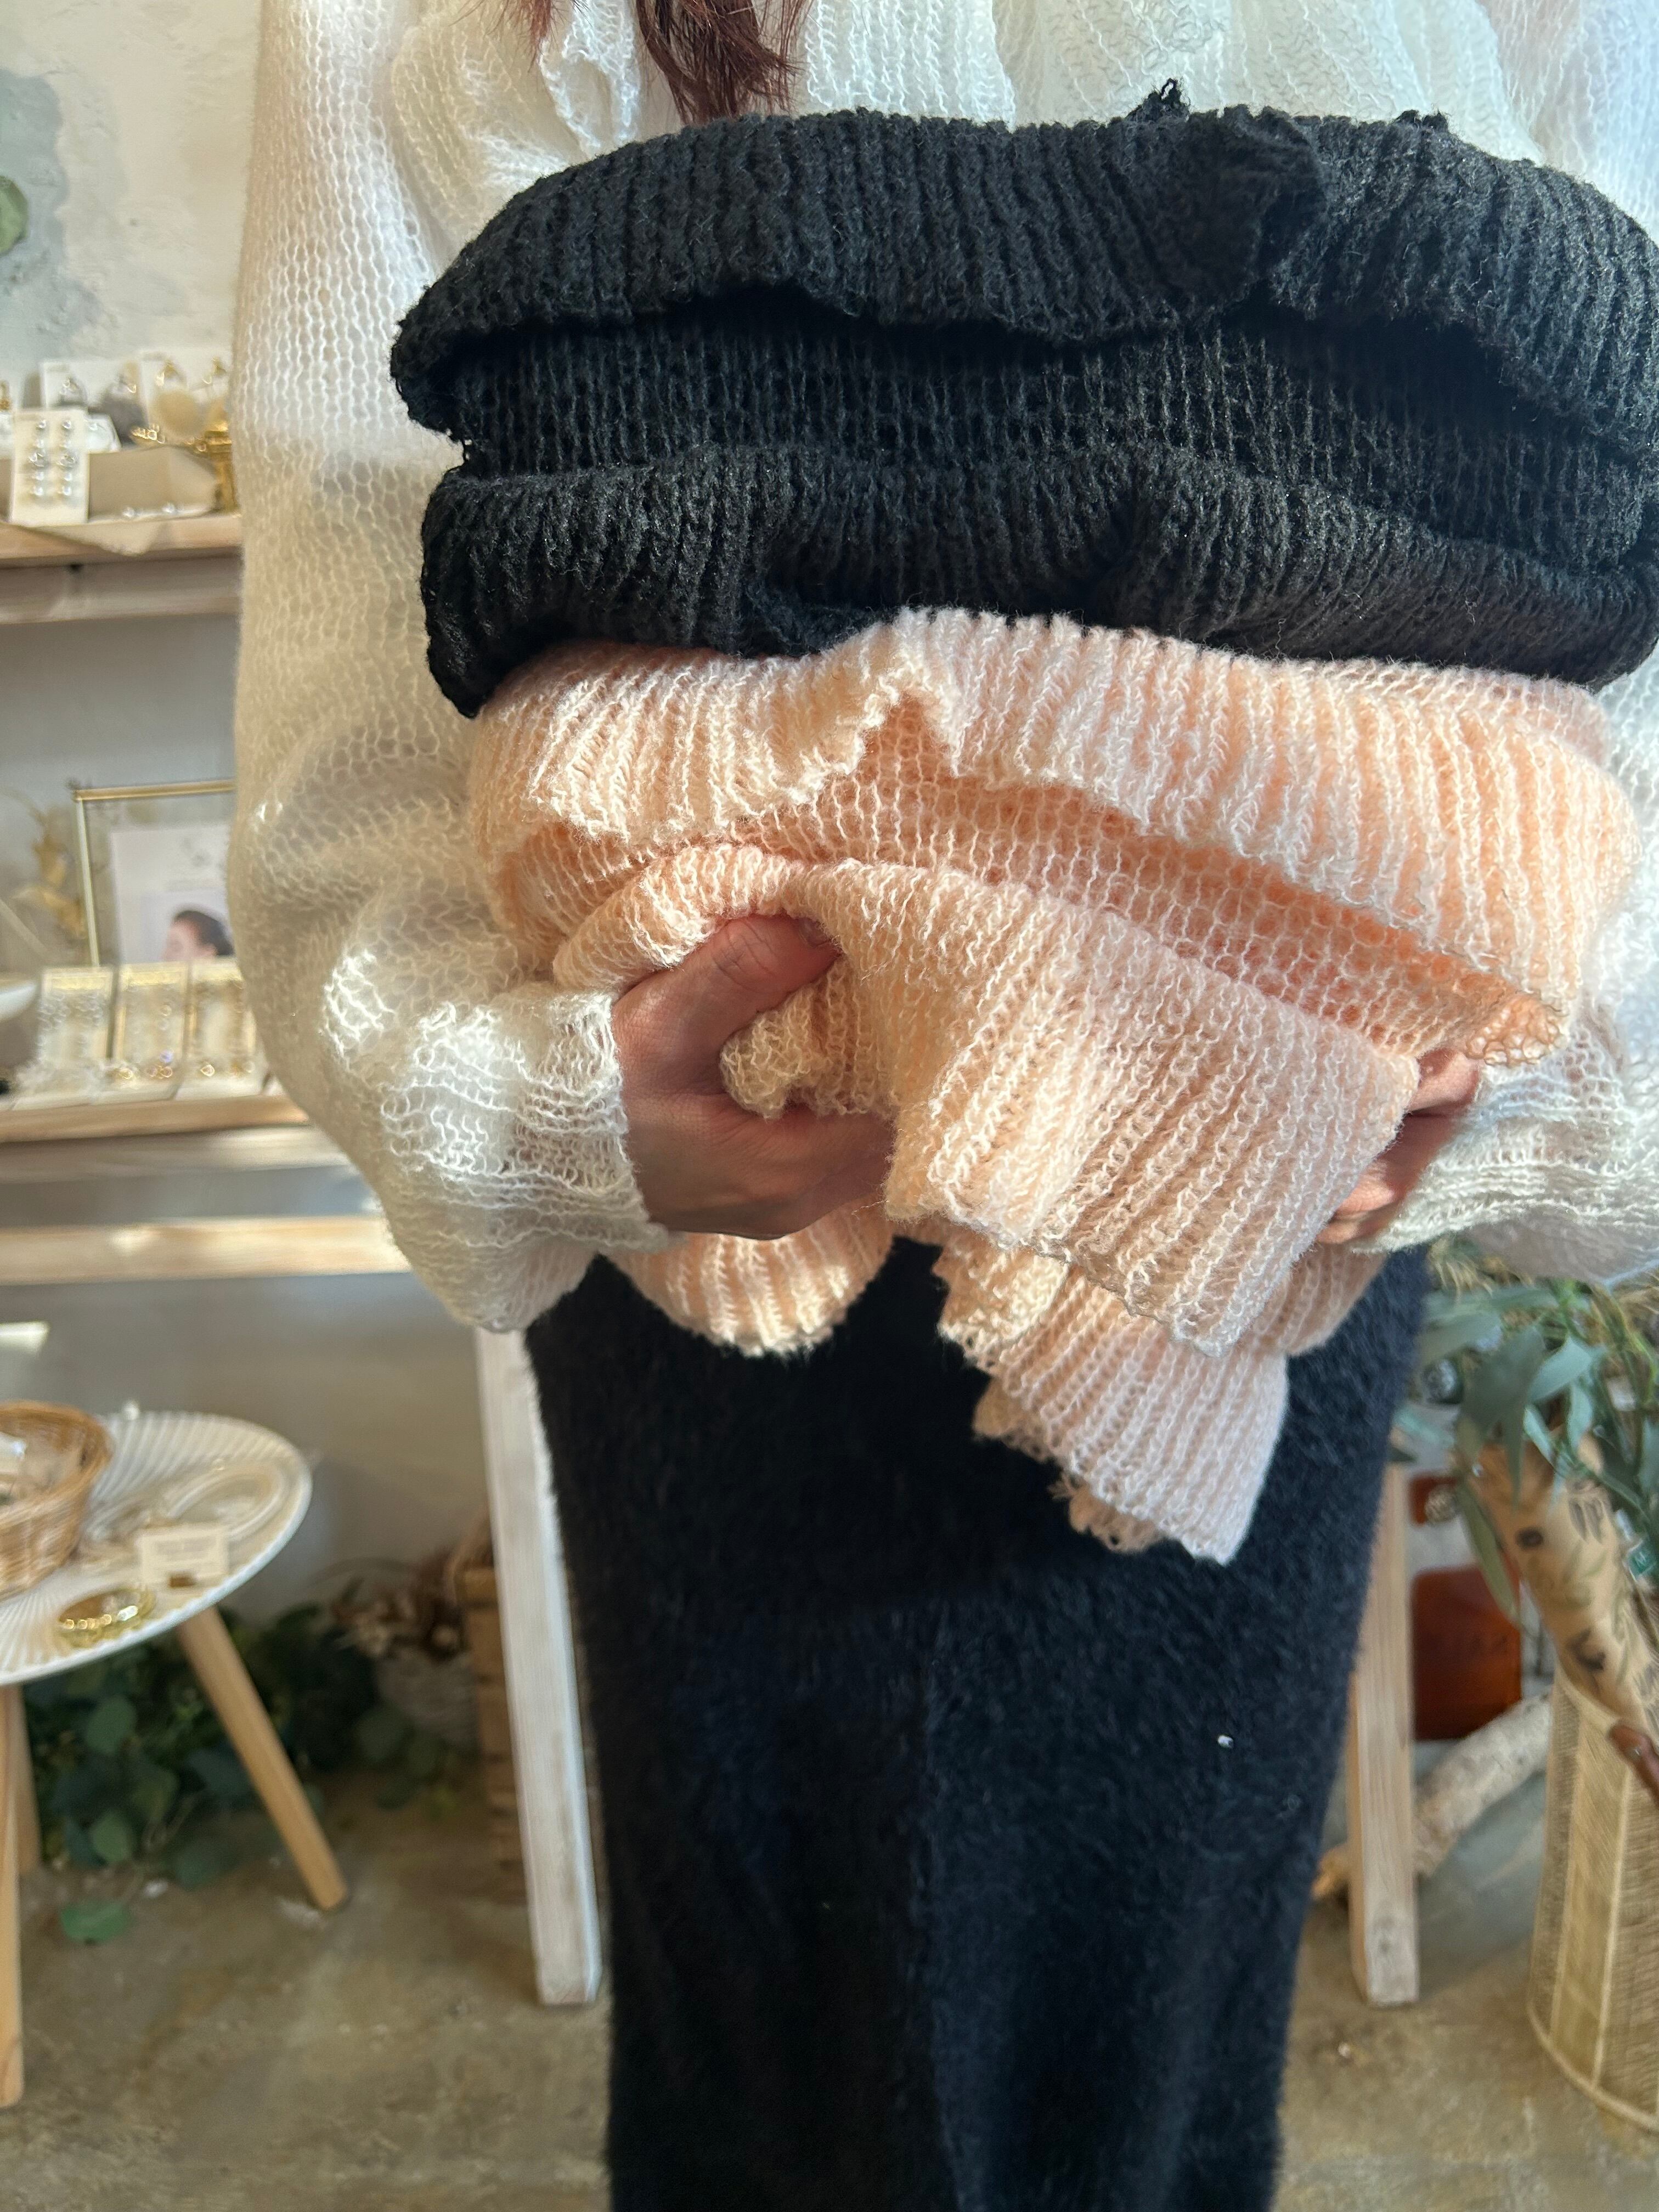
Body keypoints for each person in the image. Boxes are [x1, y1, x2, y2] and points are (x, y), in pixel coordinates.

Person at [229, 5, 1659, 2205]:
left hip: (1261, 1215)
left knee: (1161, 2069)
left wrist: (1527, 1071)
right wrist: (537, 1108)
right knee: (763, 2069)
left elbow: (1613, 508)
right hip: (712, 1235)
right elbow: (352, 642)